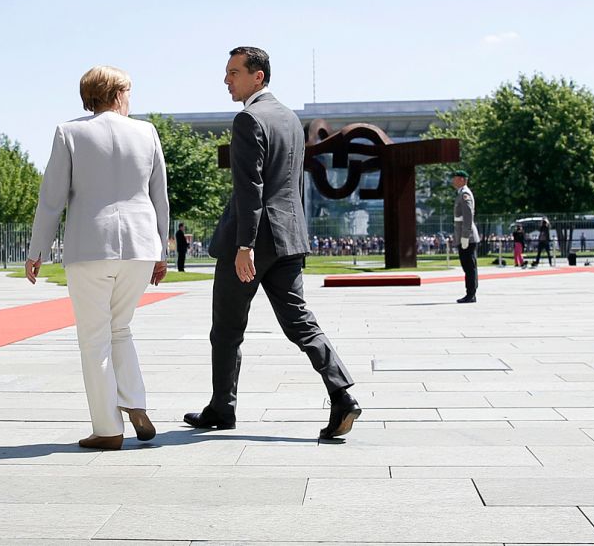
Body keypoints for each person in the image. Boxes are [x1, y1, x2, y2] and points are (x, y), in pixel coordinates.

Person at [187, 46, 360, 441]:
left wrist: (244, 245)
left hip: (250, 243)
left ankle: (221, 407)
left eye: (233, 72)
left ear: (257, 77)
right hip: (288, 238)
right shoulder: (290, 119)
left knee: (227, 329)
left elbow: (251, 188)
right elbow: (289, 185)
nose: (226, 79)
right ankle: (341, 394)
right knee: (300, 322)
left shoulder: (249, 119)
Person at [24, 65, 170, 451]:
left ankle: (108, 427)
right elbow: (160, 196)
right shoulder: (146, 132)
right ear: (118, 93)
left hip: (91, 245)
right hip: (140, 246)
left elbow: (52, 198)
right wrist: (162, 250)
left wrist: (37, 249)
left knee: (94, 338)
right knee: (120, 328)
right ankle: (135, 402)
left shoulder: (70, 132)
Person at [452, 170, 479, 303]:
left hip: (467, 236)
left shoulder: (465, 194)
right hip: (463, 235)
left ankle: (471, 294)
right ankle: (470, 293)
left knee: (469, 267)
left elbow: (468, 216)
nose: (453, 181)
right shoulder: (461, 193)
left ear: (463, 180)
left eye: (456, 178)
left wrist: (465, 236)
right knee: (467, 266)